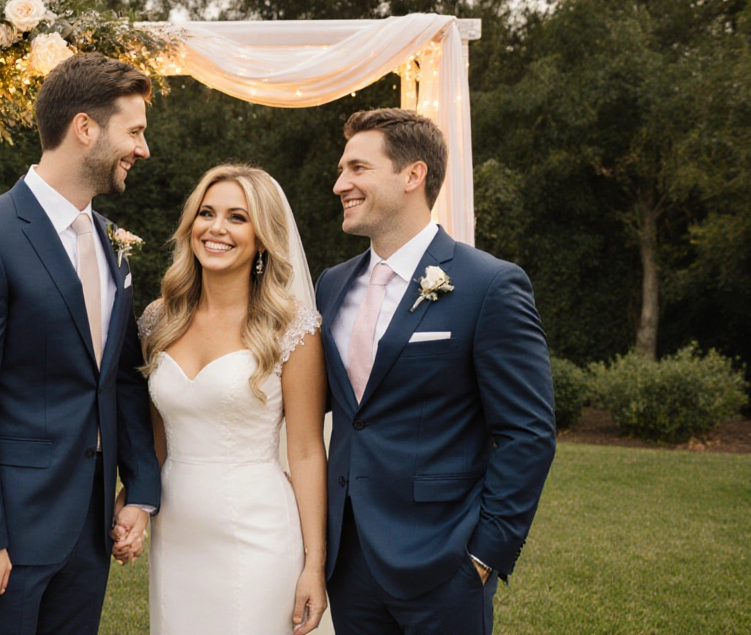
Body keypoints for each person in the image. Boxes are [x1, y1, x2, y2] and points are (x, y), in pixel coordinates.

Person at [0, 53, 162, 635]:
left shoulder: (113, 241)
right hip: (9, 537)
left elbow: (119, 377)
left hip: (87, 532)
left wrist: (140, 489)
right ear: (85, 128)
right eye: (134, 131)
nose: (143, 149)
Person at [318, 108, 557, 635]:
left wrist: (483, 555)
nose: (340, 184)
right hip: (349, 561)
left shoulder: (489, 284)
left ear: (413, 175)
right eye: (341, 170)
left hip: (445, 564)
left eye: (357, 168)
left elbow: (528, 433)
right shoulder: (331, 285)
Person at [138, 164, 329, 635]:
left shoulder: (292, 327)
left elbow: (305, 451)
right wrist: (134, 505)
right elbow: (156, 442)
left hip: (257, 530)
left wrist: (314, 564)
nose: (216, 228)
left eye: (237, 217)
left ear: (262, 237)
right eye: (207, 213)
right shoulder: (158, 319)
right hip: (177, 531)